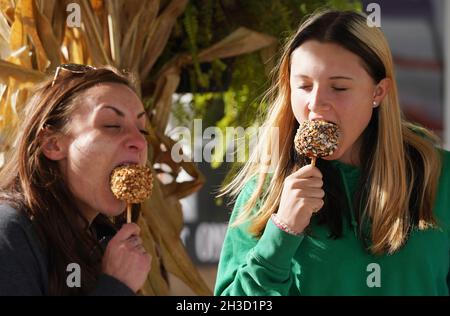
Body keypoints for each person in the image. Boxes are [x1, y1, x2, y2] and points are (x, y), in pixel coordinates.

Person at [215, 10, 450, 296]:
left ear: (378, 92)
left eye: (338, 87)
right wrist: (282, 231)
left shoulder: (441, 177)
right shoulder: (265, 190)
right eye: (303, 86)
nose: (315, 104)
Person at [0, 65, 152, 295]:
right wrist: (115, 286)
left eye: (143, 131)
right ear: (52, 144)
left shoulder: (103, 243)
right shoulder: (10, 233)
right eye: (112, 125)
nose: (139, 142)